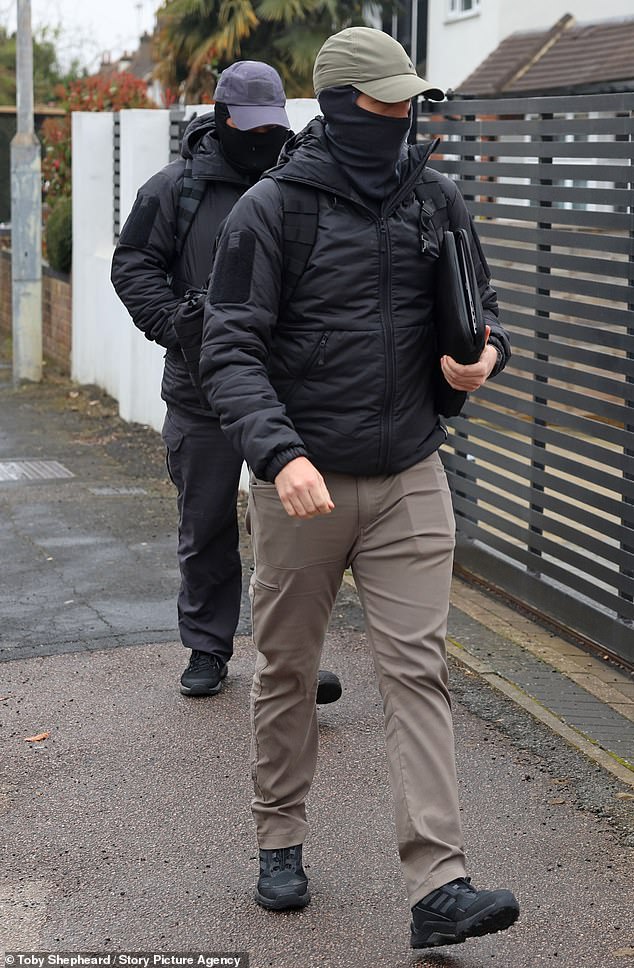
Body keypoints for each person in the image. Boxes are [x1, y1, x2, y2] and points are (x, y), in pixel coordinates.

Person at [199, 28, 519, 950]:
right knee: (288, 668)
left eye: (410, 101)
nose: (403, 115)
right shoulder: (270, 210)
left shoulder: (437, 198)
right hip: (303, 484)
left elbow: (483, 307)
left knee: (419, 670)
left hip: (411, 473)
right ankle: (279, 838)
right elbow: (229, 347)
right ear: (341, 103)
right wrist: (280, 455)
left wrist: (486, 357)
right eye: (387, 101)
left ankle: (440, 885)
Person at [110, 61, 342, 706]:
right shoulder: (174, 188)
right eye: (251, 126)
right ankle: (208, 647)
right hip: (200, 393)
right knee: (207, 526)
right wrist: (176, 327)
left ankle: (292, 659)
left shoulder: (299, 184)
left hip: (287, 394)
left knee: (296, 535)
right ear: (221, 119)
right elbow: (133, 265)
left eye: (274, 127)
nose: (264, 139)